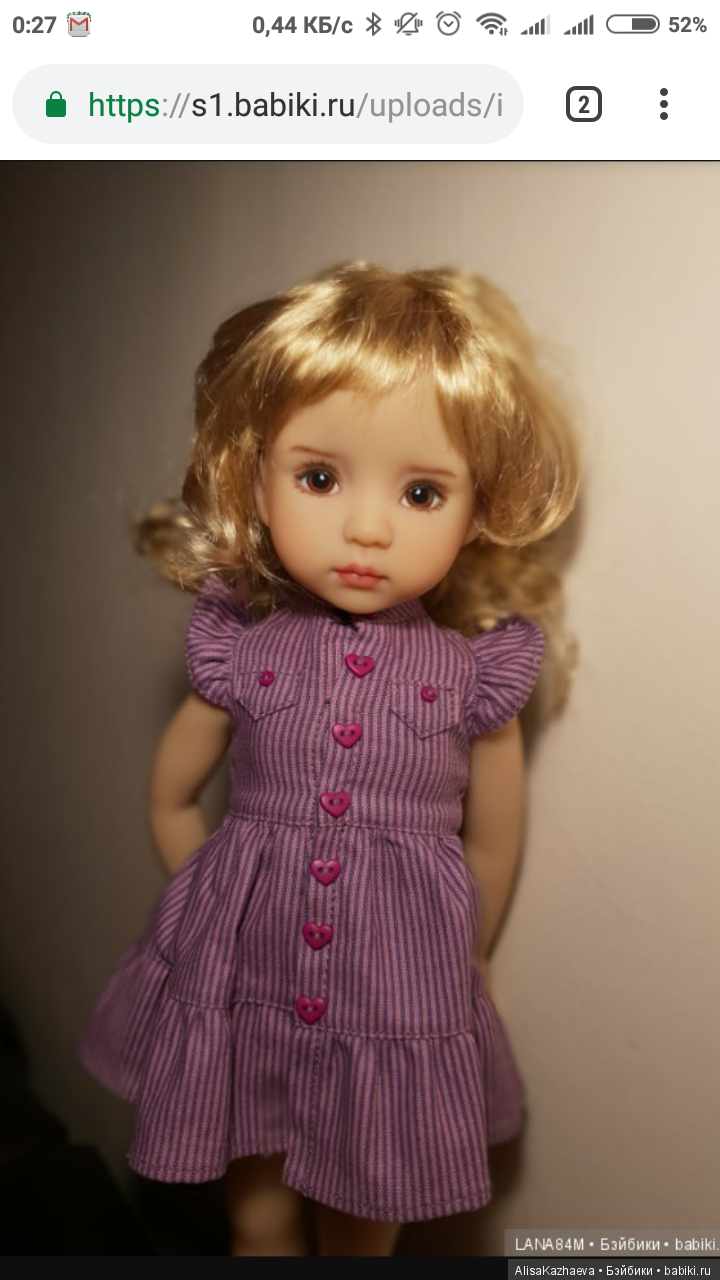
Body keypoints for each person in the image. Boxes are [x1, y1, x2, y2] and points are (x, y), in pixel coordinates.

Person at [80, 263, 581, 1256]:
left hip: (393, 993)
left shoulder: (471, 678)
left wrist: (465, 953)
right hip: (247, 976)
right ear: (255, 478)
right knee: (255, 1203)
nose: (366, 528)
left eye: (423, 491)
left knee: (366, 1210)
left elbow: (491, 842)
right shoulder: (242, 649)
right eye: (319, 478)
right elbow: (174, 796)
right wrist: (211, 907)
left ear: (477, 509)